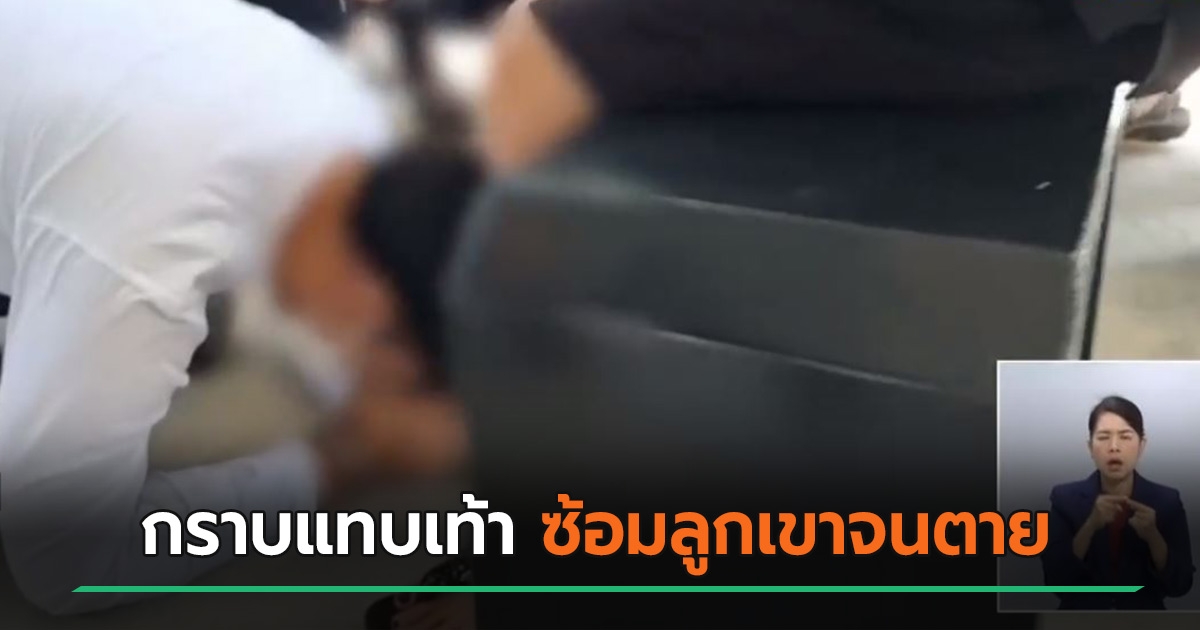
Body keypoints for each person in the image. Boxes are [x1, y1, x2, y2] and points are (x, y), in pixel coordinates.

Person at [0, 0, 474, 615]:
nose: (354, 372)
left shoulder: (349, 125)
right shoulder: (153, 249)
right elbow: (61, 559)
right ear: (368, 300)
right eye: (374, 362)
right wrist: (330, 467)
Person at [1041, 396, 1195, 609]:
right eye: (1103, 437)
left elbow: (1181, 585)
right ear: (1090, 447)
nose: (1114, 447)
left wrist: (1153, 537)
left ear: (1141, 445)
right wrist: (1090, 526)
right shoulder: (1064, 499)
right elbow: (1056, 582)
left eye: (1125, 437)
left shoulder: (1167, 501)